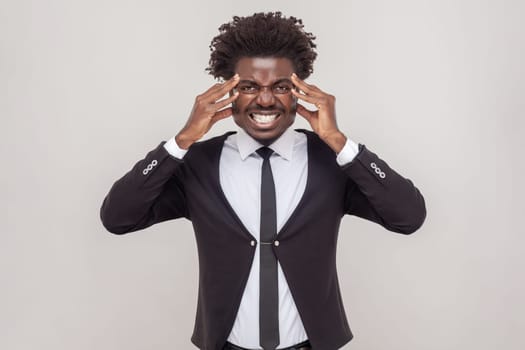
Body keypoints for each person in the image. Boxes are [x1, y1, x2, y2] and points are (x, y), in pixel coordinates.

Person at [100, 12, 426, 350]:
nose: (266, 99)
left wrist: (339, 140)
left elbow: (408, 216)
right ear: (228, 92)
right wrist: (181, 141)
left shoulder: (332, 162)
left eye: (281, 87)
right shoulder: (198, 164)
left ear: (300, 92)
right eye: (248, 86)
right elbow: (118, 217)